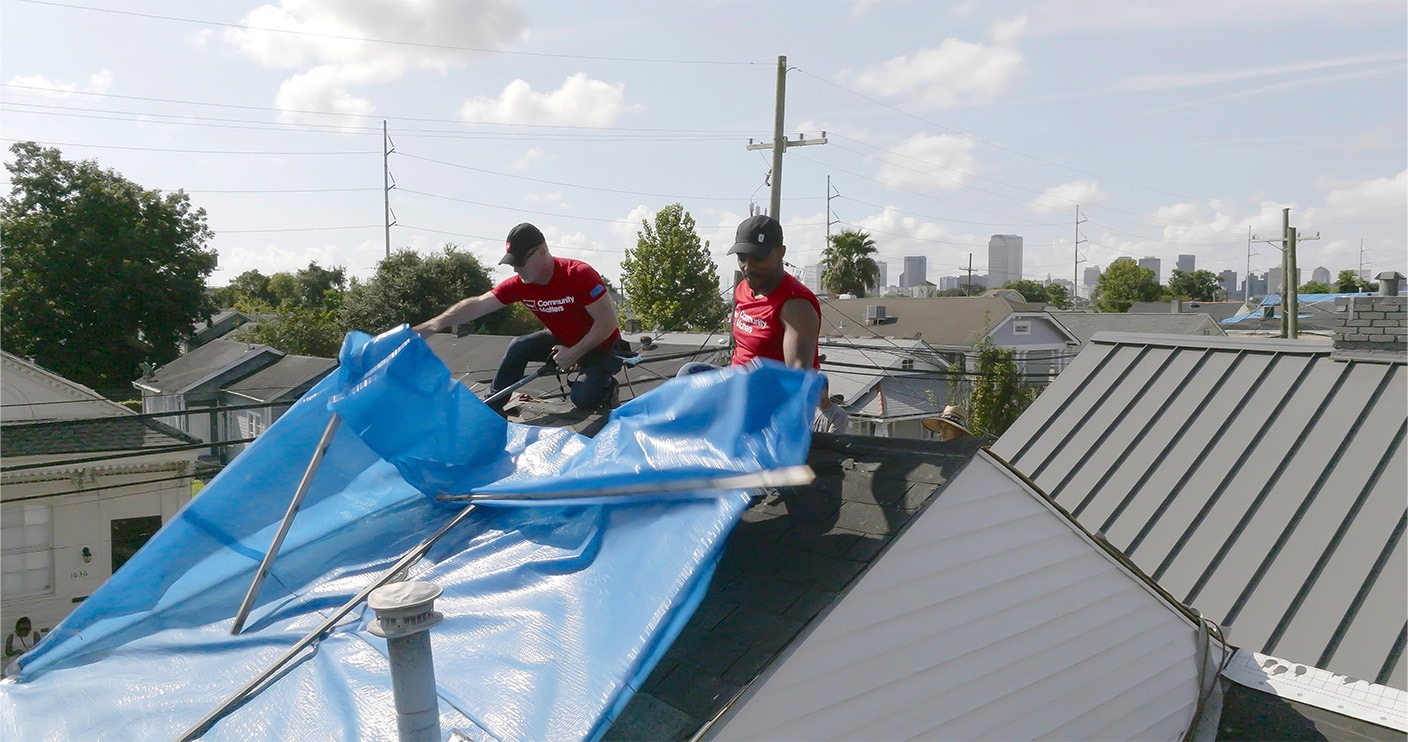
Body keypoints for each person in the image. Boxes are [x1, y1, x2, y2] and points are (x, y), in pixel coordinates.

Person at [415, 222, 624, 412]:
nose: (516, 268)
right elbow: (477, 305)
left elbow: (607, 323)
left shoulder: (578, 274)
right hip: (564, 341)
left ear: (542, 251)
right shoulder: (521, 284)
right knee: (519, 345)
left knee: (583, 399)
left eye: (521, 262)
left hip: (602, 347)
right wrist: (435, 324)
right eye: (512, 263)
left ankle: (607, 389)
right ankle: (493, 405)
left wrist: (575, 353)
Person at [678, 215, 821, 376]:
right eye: (742, 258)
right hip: (736, 382)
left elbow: (796, 379)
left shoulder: (795, 305)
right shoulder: (743, 289)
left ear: (781, 253)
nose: (748, 267)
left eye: (758, 259)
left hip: (767, 393)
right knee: (688, 373)